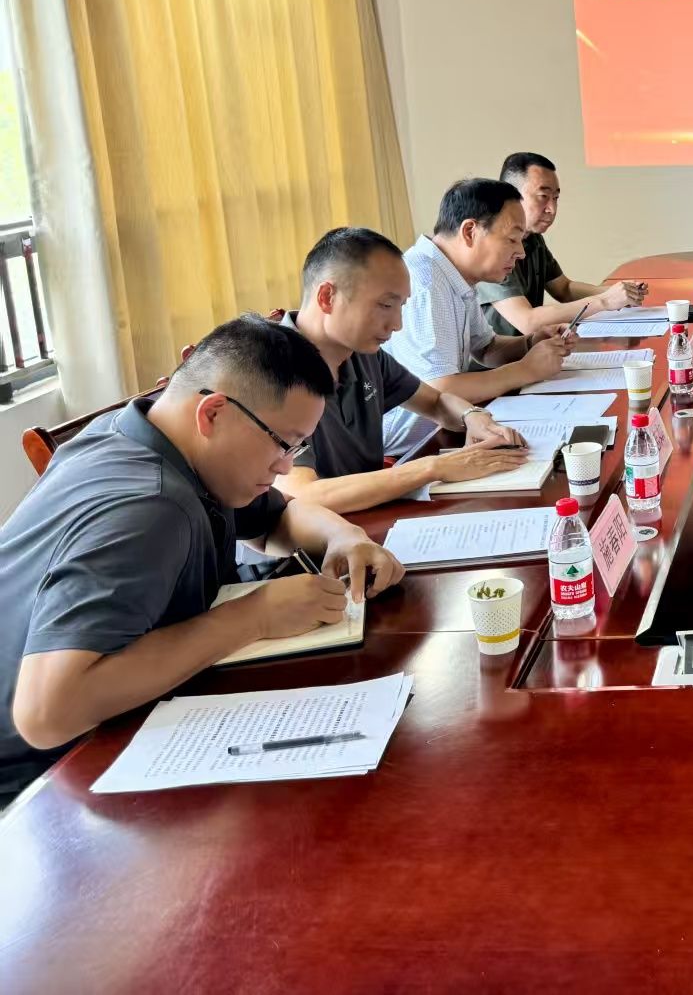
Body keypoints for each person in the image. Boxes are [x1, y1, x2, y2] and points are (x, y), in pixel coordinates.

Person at [0, 315, 407, 804]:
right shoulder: (148, 507)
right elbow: (47, 713)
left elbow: (276, 517)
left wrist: (343, 536)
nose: (286, 465)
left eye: (298, 446)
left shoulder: (160, 438)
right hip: (41, 781)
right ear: (212, 412)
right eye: (283, 444)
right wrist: (255, 616)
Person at [277, 227, 533, 514]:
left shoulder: (363, 354)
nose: (397, 324)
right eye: (385, 305)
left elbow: (435, 401)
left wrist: (471, 416)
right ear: (327, 297)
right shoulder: (273, 371)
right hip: (322, 536)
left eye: (401, 306)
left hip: (368, 518)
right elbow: (301, 494)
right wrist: (433, 468)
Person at [382, 179, 575, 452]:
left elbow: (486, 348)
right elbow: (441, 389)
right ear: (470, 231)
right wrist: (525, 369)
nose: (520, 252)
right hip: (409, 449)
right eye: (512, 239)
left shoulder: (454, 274)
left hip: (447, 431)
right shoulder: (425, 282)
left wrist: (530, 342)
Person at [477, 152, 645, 337]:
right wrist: (604, 301)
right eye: (543, 196)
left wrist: (618, 293)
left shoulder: (533, 238)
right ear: (512, 196)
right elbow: (528, 321)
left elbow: (564, 289)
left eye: (555, 198)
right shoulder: (491, 247)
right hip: (498, 356)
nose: (552, 209)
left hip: (529, 349)